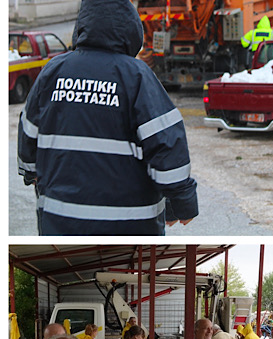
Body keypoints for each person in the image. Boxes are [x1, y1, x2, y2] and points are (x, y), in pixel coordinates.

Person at [16, 0, 198, 235]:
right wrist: (181, 201)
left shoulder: (53, 72)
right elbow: (166, 141)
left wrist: (30, 172)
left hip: (61, 222)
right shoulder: (137, 76)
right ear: (130, 29)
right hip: (130, 225)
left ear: (82, 26)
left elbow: (28, 132)